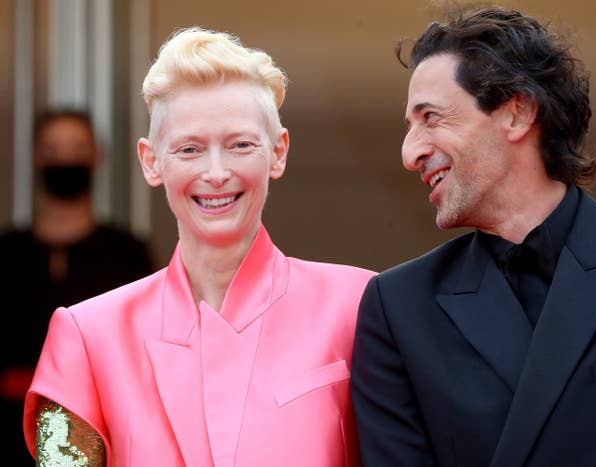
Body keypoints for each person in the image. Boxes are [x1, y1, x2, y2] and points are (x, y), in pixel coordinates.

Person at [351, 7, 596, 466]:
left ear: (517, 113)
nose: (409, 152)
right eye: (409, 125)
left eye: (430, 117)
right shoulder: (398, 308)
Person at [23, 28, 374, 466]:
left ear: (278, 152)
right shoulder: (87, 334)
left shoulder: (361, 304)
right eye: (189, 149)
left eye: (240, 145)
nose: (216, 172)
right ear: (152, 161)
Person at [0, 109, 152, 466]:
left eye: (77, 148)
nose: (66, 160)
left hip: (97, 426)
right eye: (52, 150)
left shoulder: (126, 254)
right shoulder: (6, 253)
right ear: (35, 157)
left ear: (97, 156)